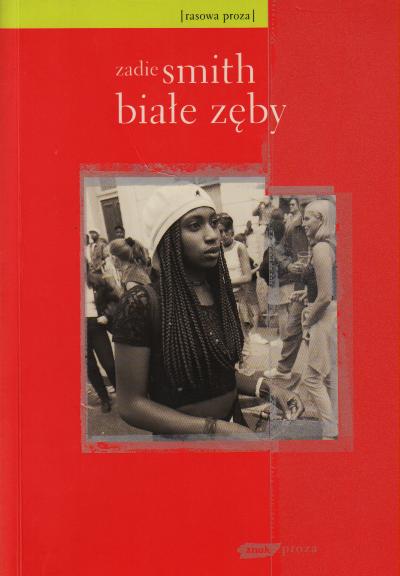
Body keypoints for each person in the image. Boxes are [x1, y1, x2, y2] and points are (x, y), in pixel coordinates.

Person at [112, 184, 303, 436]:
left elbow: (216, 374)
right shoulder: (142, 303)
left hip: (232, 429)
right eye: (194, 226)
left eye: (213, 222)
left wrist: (268, 389)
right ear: (168, 238)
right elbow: (131, 405)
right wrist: (215, 430)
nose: (213, 234)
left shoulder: (218, 294)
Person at [293, 199, 338, 440]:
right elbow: (326, 288)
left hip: (323, 314)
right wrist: (306, 293)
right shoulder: (328, 245)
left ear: (321, 220)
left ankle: (330, 431)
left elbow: (325, 296)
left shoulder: (321, 247)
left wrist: (309, 318)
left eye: (308, 217)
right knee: (328, 376)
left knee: (311, 378)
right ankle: (336, 426)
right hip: (330, 313)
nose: (303, 222)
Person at [263, 197, 309, 378]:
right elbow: (278, 250)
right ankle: (284, 370)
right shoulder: (292, 227)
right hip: (301, 284)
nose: (305, 209)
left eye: (308, 204)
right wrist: (289, 265)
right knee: (293, 326)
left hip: (322, 286)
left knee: (321, 331)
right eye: (302, 205)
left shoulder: (327, 225)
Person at [218, 215, 255, 375]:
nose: (221, 235)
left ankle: (246, 369)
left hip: (238, 297)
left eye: (223, 231)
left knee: (242, 335)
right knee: (228, 335)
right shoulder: (217, 249)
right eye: (218, 232)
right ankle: (234, 371)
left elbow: (247, 276)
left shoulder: (239, 247)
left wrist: (225, 282)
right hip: (223, 298)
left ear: (230, 231)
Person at [85, 263, 120, 413]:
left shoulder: (98, 282)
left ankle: (123, 395)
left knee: (109, 364)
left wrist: (107, 315)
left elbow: (114, 300)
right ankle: (104, 398)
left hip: (97, 326)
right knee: (90, 367)